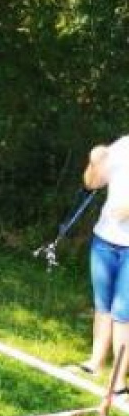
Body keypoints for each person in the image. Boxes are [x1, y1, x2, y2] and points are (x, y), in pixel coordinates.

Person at [80, 139, 129, 392]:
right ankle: (95, 364)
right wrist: (94, 162)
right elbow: (91, 183)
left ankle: (118, 382)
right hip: (104, 241)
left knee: (123, 313)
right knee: (103, 306)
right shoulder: (123, 145)